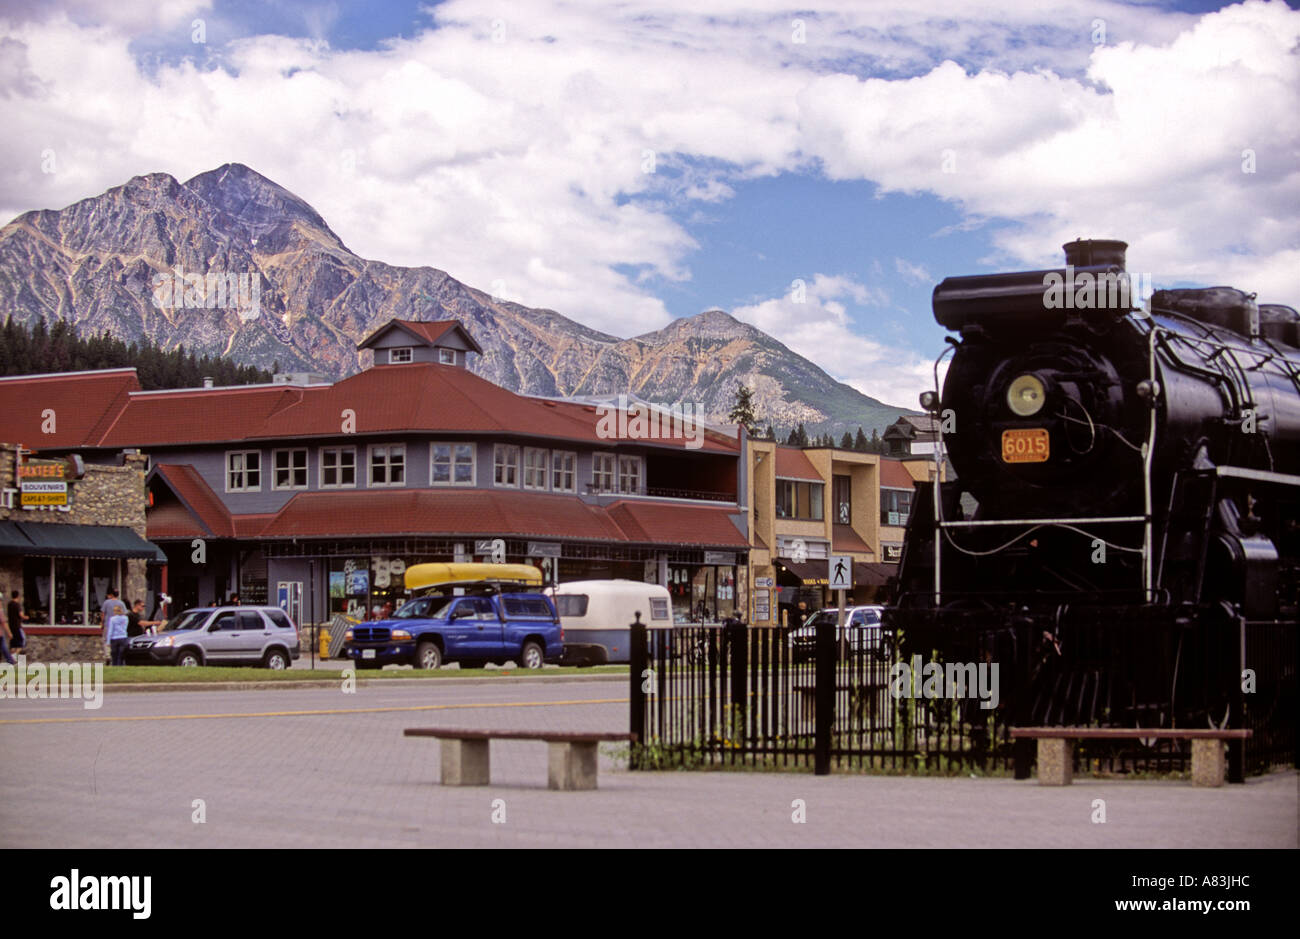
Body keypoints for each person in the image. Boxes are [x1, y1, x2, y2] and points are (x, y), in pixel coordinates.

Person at [101, 592, 128, 665]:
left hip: (107, 624)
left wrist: (102, 623)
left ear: (111, 594)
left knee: (105, 640)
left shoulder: (106, 602)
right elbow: (125, 614)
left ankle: (107, 655)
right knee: (119, 649)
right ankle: (118, 661)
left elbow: (103, 614)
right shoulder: (121, 603)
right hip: (121, 634)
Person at [7, 589, 27, 655]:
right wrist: (26, 617)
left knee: (13, 643)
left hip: (11, 626)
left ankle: (10, 659)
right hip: (17, 626)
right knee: (22, 641)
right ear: (18, 596)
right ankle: (14, 656)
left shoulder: (9, 604)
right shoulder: (17, 605)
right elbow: (21, 615)